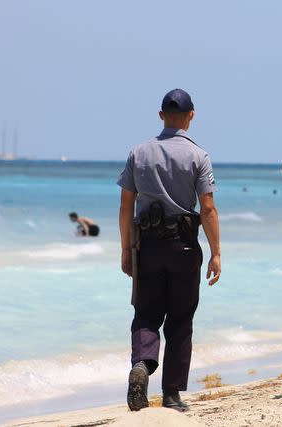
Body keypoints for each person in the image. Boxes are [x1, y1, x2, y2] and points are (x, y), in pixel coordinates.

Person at [117, 88, 221, 412]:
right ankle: (172, 394)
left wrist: (124, 249)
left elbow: (125, 206)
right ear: (191, 116)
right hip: (185, 245)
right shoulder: (199, 156)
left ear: (161, 115)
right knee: (180, 319)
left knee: (146, 313)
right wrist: (216, 252)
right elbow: (207, 208)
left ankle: (142, 366)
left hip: (146, 245)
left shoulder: (138, 153)